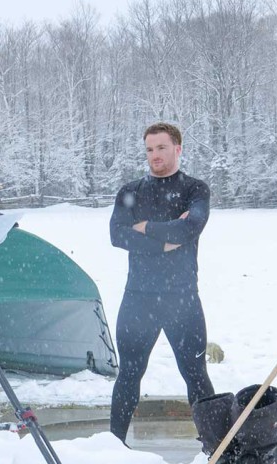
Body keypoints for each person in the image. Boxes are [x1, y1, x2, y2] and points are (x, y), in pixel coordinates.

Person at [108, 122, 214, 445]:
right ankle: (114, 446)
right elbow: (116, 235)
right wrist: (165, 239)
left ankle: (214, 447)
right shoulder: (130, 191)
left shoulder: (195, 190)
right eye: (150, 149)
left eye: (162, 148)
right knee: (128, 375)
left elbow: (190, 227)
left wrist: (143, 227)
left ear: (178, 148)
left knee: (196, 375)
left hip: (182, 299)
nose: (155, 155)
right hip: (138, 298)